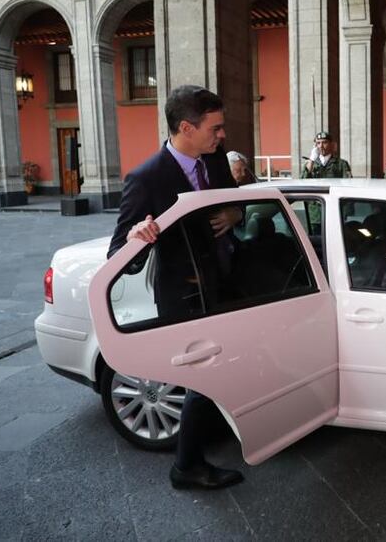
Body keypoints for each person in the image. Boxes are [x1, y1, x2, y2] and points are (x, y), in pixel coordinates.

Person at [107, 84, 243, 492]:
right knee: (201, 380)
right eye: (215, 128)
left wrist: (234, 214)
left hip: (225, 287)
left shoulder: (215, 160)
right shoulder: (146, 178)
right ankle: (187, 466)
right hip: (184, 297)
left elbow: (236, 202)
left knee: (220, 373)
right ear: (186, 127)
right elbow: (120, 256)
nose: (222, 135)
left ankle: (202, 446)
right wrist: (138, 236)